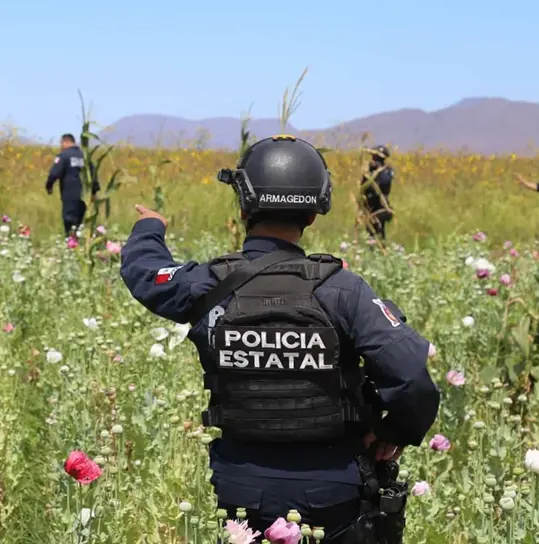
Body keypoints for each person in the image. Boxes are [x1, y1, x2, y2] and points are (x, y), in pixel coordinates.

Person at [120, 135, 440, 543]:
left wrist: (150, 228)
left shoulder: (208, 284)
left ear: (243, 206)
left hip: (240, 491)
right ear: (313, 214)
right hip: (334, 493)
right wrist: (394, 431)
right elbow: (411, 376)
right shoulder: (343, 290)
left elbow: (147, 273)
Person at [45, 134, 98, 237]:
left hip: (69, 194)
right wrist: (94, 191)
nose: (60, 145)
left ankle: (71, 244)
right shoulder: (85, 156)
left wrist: (49, 186)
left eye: (61, 143)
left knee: (69, 220)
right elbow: (93, 175)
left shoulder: (63, 156)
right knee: (80, 221)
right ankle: (78, 242)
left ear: (66, 142)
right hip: (84, 195)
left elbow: (54, 174)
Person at [360, 145, 395, 240]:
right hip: (369, 204)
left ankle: (380, 247)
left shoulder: (387, 171)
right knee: (370, 230)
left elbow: (383, 183)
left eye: (375, 158)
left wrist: (375, 172)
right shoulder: (369, 171)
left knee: (379, 229)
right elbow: (363, 186)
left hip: (380, 205)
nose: (372, 160)